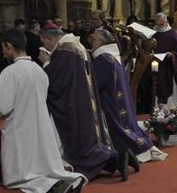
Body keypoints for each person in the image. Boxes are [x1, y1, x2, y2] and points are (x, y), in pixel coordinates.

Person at [0, 28, 86, 193]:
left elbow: (3, 106)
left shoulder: (10, 72)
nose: (3, 52)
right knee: (38, 165)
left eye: (3, 47)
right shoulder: (39, 70)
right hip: (40, 125)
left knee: (20, 175)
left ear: (9, 46)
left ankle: (53, 188)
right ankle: (68, 183)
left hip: (19, 127)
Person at [38, 22, 119, 181]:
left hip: (73, 104)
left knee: (79, 144)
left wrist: (47, 63)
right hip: (83, 101)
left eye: (44, 43)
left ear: (49, 39)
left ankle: (105, 160)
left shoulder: (63, 51)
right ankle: (114, 159)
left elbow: (55, 84)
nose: (45, 47)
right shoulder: (77, 46)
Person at [91, 29, 168, 167]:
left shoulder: (103, 59)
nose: (92, 42)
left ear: (101, 42)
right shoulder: (112, 56)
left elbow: (95, 84)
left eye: (94, 39)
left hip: (110, 103)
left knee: (118, 130)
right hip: (117, 99)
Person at [152, 12, 177, 109]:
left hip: (170, 68)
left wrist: (172, 55)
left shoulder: (173, 34)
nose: (160, 26)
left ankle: (173, 113)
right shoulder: (152, 34)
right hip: (156, 68)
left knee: (171, 98)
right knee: (155, 89)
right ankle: (157, 113)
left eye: (162, 24)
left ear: (166, 22)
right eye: (158, 24)